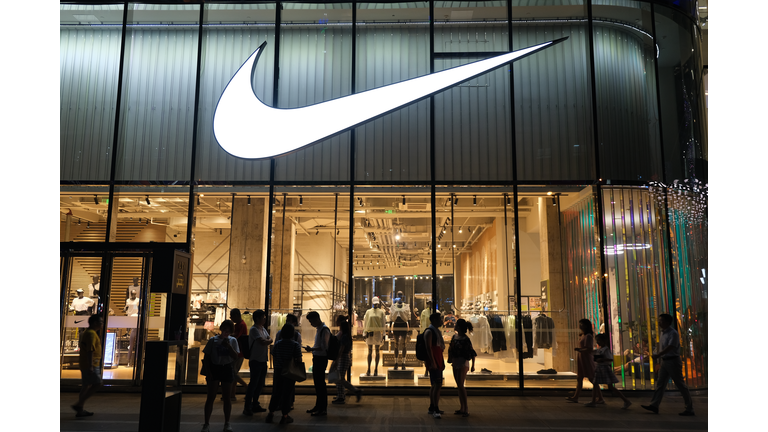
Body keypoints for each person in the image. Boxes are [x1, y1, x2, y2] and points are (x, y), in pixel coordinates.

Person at [641, 314, 695, 416]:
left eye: (661, 321)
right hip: (665, 361)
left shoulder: (673, 333)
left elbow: (671, 346)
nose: (659, 323)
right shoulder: (662, 333)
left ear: (667, 322)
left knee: (680, 384)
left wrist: (658, 355)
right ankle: (654, 405)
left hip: (673, 361)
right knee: (660, 384)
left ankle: (689, 408)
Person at [202, 320, 240, 432]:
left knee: (227, 397)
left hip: (227, 367)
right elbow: (207, 357)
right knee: (210, 397)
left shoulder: (233, 341)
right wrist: (208, 372)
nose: (226, 332)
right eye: (224, 330)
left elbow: (235, 356)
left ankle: (227, 423)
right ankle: (206, 423)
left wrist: (228, 346)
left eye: (228, 330)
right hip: (215, 368)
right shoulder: (213, 340)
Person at [266, 323, 303, 425]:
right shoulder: (295, 345)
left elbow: (274, 355)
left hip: (278, 370)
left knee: (276, 392)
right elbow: (298, 359)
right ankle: (285, 416)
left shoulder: (277, 344)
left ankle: (271, 414)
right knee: (287, 393)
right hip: (289, 371)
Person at [586, 333, 631, 409]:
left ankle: (626, 400)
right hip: (600, 368)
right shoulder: (600, 349)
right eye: (597, 341)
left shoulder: (605, 349)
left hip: (603, 368)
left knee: (607, 386)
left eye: (599, 340)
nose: (598, 342)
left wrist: (602, 359)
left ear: (604, 341)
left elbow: (610, 359)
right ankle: (593, 401)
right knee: (596, 384)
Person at [71, 314, 103, 417]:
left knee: (86, 386)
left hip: (86, 363)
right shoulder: (91, 334)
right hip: (92, 363)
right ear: (95, 323)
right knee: (97, 383)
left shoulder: (88, 332)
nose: (102, 324)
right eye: (100, 322)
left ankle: (80, 409)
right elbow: (90, 350)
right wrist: (91, 365)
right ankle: (79, 404)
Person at [244, 309, 272, 416]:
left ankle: (255, 403)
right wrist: (268, 341)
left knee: (259, 384)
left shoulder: (263, 329)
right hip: (255, 360)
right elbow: (263, 341)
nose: (264, 319)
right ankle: (247, 406)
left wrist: (268, 341)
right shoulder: (254, 329)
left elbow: (269, 340)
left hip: (263, 360)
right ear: (257, 319)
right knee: (253, 384)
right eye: (263, 317)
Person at [448, 318, 476, 417]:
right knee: (459, 385)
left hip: (463, 362)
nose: (454, 325)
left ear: (459, 327)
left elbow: (471, 352)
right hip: (456, 362)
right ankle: (462, 407)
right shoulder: (455, 337)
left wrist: (473, 365)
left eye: (456, 325)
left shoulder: (465, 339)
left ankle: (465, 407)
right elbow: (450, 349)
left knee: (460, 384)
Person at [304, 311, 330, 416]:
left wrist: (312, 348)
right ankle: (318, 406)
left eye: (311, 321)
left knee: (320, 384)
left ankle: (322, 408)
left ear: (316, 319)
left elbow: (324, 347)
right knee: (318, 383)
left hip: (321, 358)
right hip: (317, 357)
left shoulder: (324, 330)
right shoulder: (320, 329)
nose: (311, 324)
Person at [331, 319, 363, 405]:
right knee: (340, 378)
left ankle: (351, 392)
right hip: (345, 357)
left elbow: (341, 349)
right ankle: (341, 394)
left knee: (339, 378)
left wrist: (337, 360)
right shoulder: (347, 336)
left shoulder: (344, 337)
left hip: (343, 357)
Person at [566, 318, 596, 403]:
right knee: (580, 378)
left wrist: (580, 350)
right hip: (582, 358)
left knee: (591, 378)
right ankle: (575, 397)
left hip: (586, 358)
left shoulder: (588, 336)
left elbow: (589, 348)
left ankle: (600, 397)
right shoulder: (583, 335)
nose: (580, 326)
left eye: (582, 324)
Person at [424, 312, 445, 419]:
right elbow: (428, 348)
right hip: (434, 360)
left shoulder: (435, 331)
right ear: (435, 320)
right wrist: (433, 361)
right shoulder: (430, 332)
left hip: (438, 359)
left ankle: (433, 406)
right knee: (437, 384)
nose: (442, 321)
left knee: (436, 384)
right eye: (440, 319)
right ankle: (435, 407)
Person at [228, 308, 248, 402]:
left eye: (231, 316)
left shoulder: (241, 325)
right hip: (239, 351)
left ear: (236, 315)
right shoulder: (240, 324)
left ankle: (246, 386)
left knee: (232, 373)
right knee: (233, 373)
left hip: (238, 352)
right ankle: (232, 394)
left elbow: (236, 337)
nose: (231, 318)